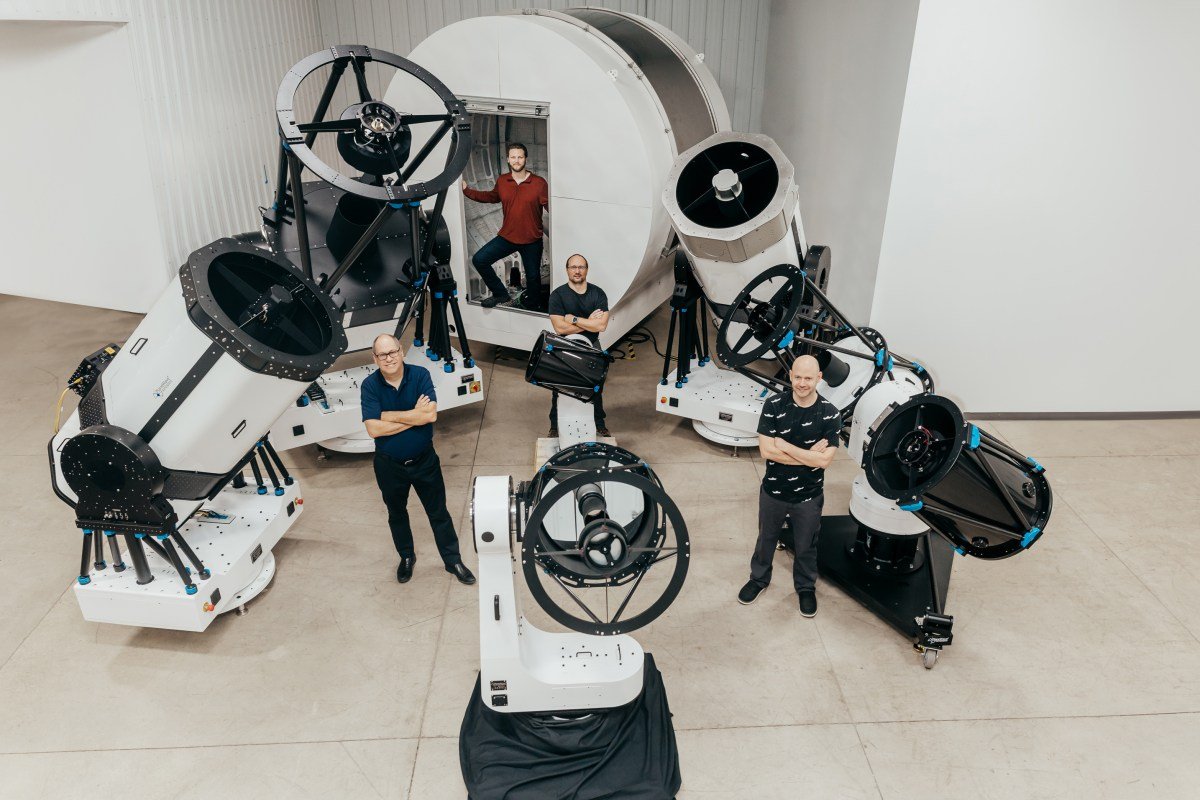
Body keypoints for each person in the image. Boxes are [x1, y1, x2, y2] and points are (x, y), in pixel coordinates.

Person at [361, 334, 476, 586]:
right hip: (389, 466)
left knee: (438, 512)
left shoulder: (420, 375)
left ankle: (452, 560)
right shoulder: (369, 385)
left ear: (401, 351)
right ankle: (406, 557)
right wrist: (414, 415)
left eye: (392, 352)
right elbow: (373, 429)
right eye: (382, 355)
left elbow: (430, 416)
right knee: (396, 514)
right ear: (375, 358)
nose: (389, 358)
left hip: (425, 462)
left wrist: (388, 415)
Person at [737, 355, 840, 617]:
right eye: (798, 377)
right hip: (773, 491)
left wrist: (785, 446)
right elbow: (766, 452)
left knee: (806, 545)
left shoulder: (830, 414)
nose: (802, 383)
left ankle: (805, 587)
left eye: (808, 378)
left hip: (809, 496)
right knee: (765, 539)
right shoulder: (773, 405)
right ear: (791, 375)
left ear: (819, 378)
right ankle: (758, 579)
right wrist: (809, 456)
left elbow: (825, 461)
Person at [461, 142, 549, 310]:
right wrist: (467, 191)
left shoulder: (539, 183)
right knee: (479, 260)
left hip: (532, 240)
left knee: (533, 278)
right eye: (513, 157)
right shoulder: (503, 181)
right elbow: (491, 197)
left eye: (520, 157)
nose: (517, 160)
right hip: (507, 237)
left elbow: (551, 207)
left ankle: (533, 306)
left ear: (525, 159)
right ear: (508, 159)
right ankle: (500, 294)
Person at [547, 253, 610, 438]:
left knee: (595, 386)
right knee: (559, 386)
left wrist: (574, 319)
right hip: (565, 344)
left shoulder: (598, 293)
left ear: (587, 270)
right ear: (567, 270)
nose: (577, 271)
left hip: (592, 345)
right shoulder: (557, 295)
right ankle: (554, 426)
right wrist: (588, 322)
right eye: (573, 267)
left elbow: (601, 326)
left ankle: (599, 423)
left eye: (581, 267)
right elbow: (559, 328)